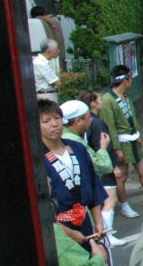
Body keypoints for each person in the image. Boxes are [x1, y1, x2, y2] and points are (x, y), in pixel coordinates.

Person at [39, 100, 107, 246]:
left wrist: (98, 221)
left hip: (84, 221)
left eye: (57, 118)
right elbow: (39, 206)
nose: (54, 124)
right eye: (46, 121)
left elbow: (94, 184)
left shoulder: (77, 148)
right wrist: (69, 233)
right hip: (57, 228)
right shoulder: (36, 158)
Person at [99, 66, 143, 218]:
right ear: (125, 81)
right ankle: (125, 206)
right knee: (121, 176)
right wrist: (116, 148)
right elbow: (110, 126)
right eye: (130, 78)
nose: (131, 81)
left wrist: (137, 134)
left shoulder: (126, 96)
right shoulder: (108, 99)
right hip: (121, 142)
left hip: (132, 138)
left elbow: (133, 117)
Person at [77, 90, 123, 244]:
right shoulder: (97, 122)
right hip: (102, 166)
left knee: (101, 201)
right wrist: (113, 166)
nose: (101, 102)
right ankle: (106, 234)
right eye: (99, 99)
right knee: (110, 200)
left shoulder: (86, 124)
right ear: (93, 103)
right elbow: (102, 146)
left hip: (92, 166)